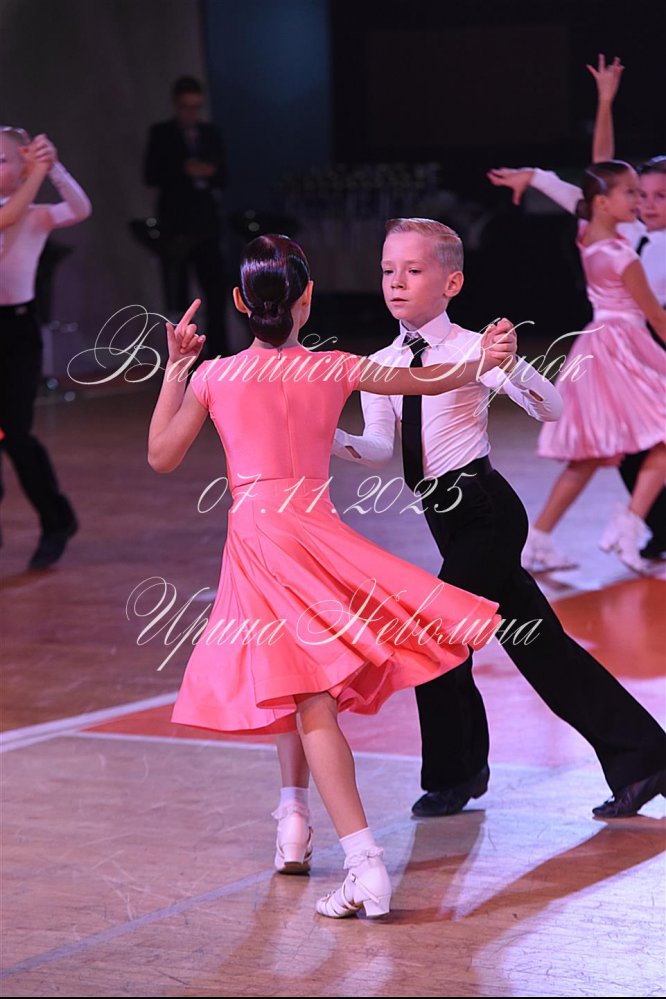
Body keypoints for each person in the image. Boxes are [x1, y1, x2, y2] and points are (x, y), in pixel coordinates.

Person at [146, 234, 513, 920]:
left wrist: (176, 369)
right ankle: (294, 818)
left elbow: (161, 455)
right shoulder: (334, 367)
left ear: (240, 303)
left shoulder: (214, 376)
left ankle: (364, 864)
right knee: (293, 681)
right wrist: (482, 361)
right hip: (313, 535)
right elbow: (427, 380)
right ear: (306, 299)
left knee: (308, 694)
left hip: (259, 540)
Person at [332, 217, 666, 820]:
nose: (396, 282)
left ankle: (457, 774)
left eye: (413, 270)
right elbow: (379, 449)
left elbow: (552, 408)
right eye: (387, 270)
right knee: (539, 644)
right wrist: (328, 438)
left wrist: (510, 366)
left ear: (451, 283)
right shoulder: (380, 364)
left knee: (430, 632)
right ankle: (643, 756)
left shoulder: (473, 349)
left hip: (485, 510)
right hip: (444, 518)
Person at [488, 55, 666, 568]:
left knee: (596, 453)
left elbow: (600, 179)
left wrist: (537, 174)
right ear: (612, 201)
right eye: (636, 194)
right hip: (626, 349)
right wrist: (605, 102)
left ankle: (549, 537)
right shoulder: (621, 237)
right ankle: (628, 525)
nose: (642, 201)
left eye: (652, 195)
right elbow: (600, 171)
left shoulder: (604, 231)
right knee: (623, 447)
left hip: (617, 347)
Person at [0, 128, 91, 569]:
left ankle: (58, 521)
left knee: (15, 434)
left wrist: (53, 166)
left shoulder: (35, 214)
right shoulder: (16, 210)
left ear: (21, 170)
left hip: (17, 333)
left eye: (2, 160)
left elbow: (79, 208)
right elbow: (6, 218)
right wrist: (37, 171)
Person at [143, 75, 229, 360]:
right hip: (176, 226)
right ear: (176, 105)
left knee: (215, 292)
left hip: (206, 224)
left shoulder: (209, 133)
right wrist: (184, 170)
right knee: (177, 296)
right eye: (186, 107)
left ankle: (219, 356)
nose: (191, 114)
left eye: (196, 107)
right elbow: (151, 174)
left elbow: (225, 175)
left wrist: (208, 172)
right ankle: (180, 359)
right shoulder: (162, 134)